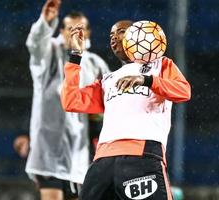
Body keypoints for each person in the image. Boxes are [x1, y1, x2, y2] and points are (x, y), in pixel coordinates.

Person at [60, 20, 191, 200]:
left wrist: (147, 80)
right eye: (111, 36)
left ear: (138, 33)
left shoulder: (160, 65)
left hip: (141, 155)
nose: (114, 39)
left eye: (121, 32)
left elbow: (184, 92)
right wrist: (75, 56)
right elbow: (71, 101)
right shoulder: (108, 80)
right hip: (102, 161)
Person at [24, 0, 110, 199]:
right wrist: (45, 22)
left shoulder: (96, 64)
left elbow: (110, 98)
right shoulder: (49, 54)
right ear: (61, 31)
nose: (75, 33)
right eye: (70, 28)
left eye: (80, 29)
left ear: (87, 33)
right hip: (48, 150)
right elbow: (35, 45)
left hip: (79, 154)